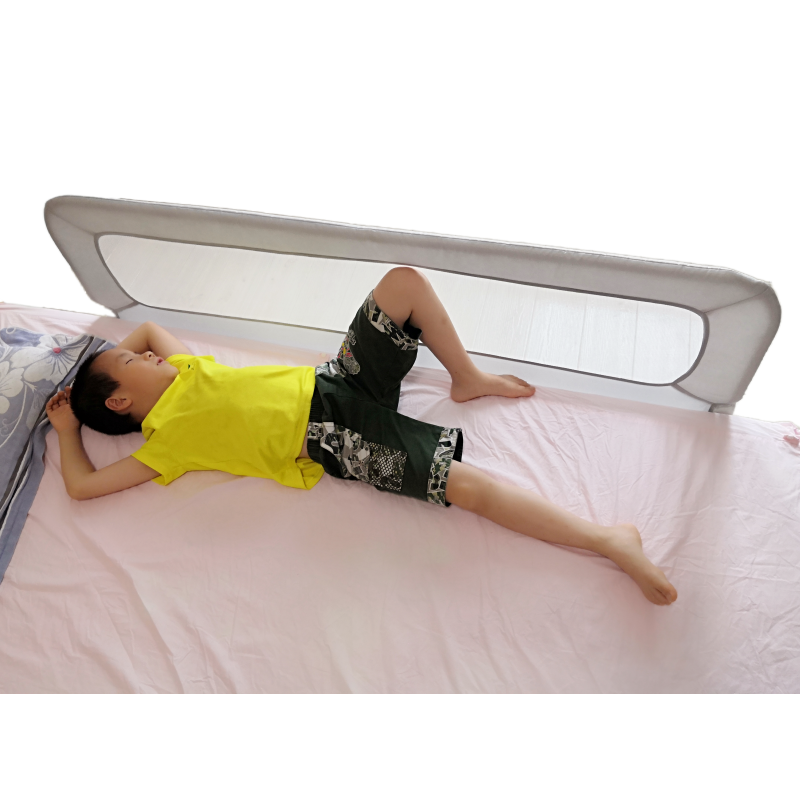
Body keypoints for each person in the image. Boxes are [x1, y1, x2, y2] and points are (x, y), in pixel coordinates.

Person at [46, 267, 678, 606]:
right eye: (131, 364)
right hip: (334, 436)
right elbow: (81, 487)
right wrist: (71, 426)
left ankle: (466, 377)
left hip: (338, 379)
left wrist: (91, 370)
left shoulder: (184, 369)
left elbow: (145, 329)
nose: (146, 353)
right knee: (467, 488)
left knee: (403, 284)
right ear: (123, 401)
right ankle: (606, 540)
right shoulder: (164, 445)